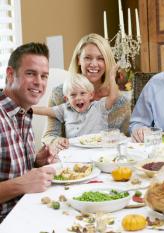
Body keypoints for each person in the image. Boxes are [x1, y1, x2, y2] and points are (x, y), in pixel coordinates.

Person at [41, 33, 131, 150]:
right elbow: (49, 135)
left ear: (107, 62)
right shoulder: (59, 94)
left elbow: (125, 139)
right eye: (87, 57)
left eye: (100, 58)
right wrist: (56, 141)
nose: (93, 64)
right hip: (69, 160)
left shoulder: (120, 102)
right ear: (79, 60)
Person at [0, 43, 56, 222]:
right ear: (10, 74)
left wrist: (36, 161)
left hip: (29, 212)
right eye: (30, 73)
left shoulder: (24, 112)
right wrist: (21, 185)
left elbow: (9, 169)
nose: (39, 82)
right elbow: (21, 182)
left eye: (44, 76)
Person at [32, 66, 118, 138]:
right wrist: (27, 108)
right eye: (73, 95)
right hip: (74, 151)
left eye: (83, 93)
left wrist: (112, 78)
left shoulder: (99, 107)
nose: (78, 98)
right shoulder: (65, 109)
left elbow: (113, 96)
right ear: (66, 99)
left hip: (98, 149)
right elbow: (45, 110)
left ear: (91, 95)